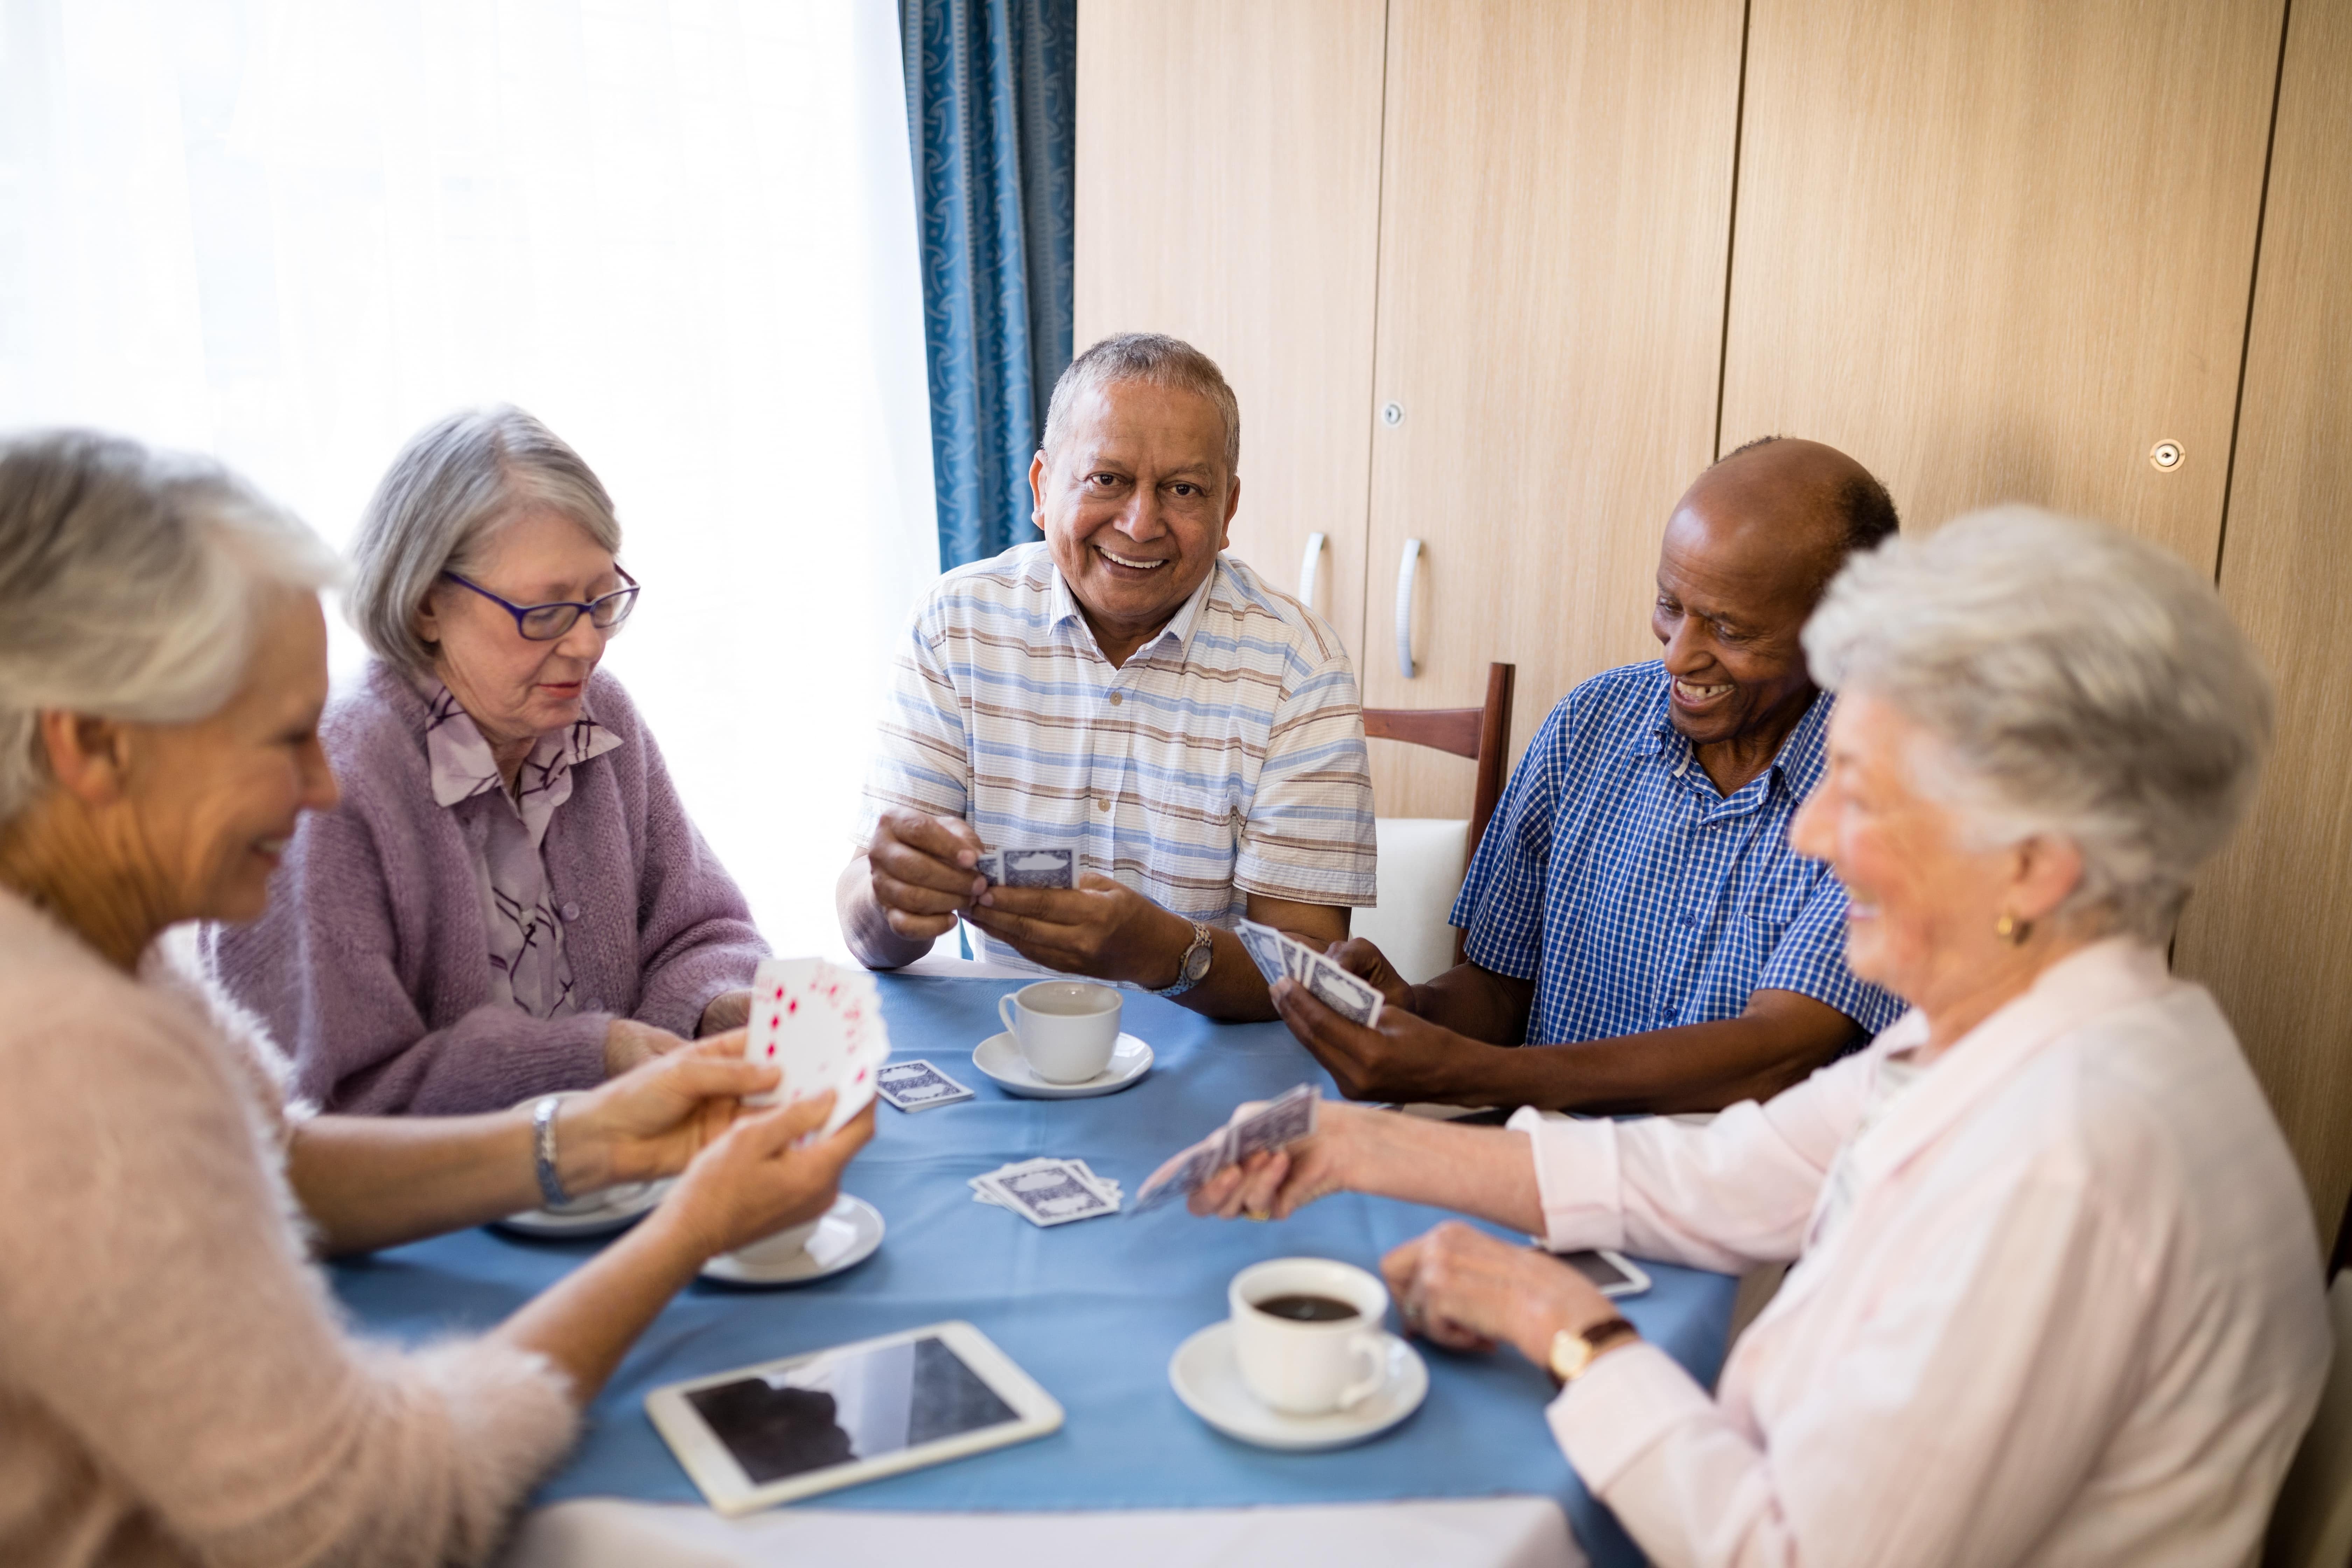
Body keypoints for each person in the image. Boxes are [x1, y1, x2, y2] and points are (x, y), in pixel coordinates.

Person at [1192, 507, 2329, 1566]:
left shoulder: (2068, 1162)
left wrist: (1569, 1328)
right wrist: (1361, 1148)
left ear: (2036, 863)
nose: (1815, 836)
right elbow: (1720, 1172)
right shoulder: (2014, 1032)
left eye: (1865, 797)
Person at [0, 430, 874, 1566]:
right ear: (93, 746)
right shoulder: (66, 1056)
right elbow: (366, 1517)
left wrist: (594, 1134)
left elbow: (287, 1164)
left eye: (602, 602)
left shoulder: (100, 951)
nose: (317, 782)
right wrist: (692, 1229)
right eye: (277, 740)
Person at [1287, 437, 1905, 1112]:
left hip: (1734, 1204)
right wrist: (1413, 1011)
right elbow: (1499, 990)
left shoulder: (1895, 799)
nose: (1679, 656)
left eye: (1729, 630)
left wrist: (1465, 1075)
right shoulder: (1591, 724)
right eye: (1671, 605)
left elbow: (1775, 1054)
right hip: (1534, 1169)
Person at [212, 407, 767, 1114]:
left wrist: (716, 1006)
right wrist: (596, 1056)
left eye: (602, 598)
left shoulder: (600, 714)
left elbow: (700, 927)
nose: (588, 644)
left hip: (616, 1172)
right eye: (545, 611)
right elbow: (335, 1102)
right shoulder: (339, 778)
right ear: (424, 607)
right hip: (434, 1215)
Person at [839, 333, 1376, 1021]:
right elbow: (865, 924)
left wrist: (1168, 952)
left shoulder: (1301, 664)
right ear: (1042, 487)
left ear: (1228, 511)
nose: (1140, 522)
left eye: (1183, 489)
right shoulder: (955, 624)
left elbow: (1312, 968)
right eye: (1106, 479)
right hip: (1007, 1042)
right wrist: (889, 902)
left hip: (1214, 1060)